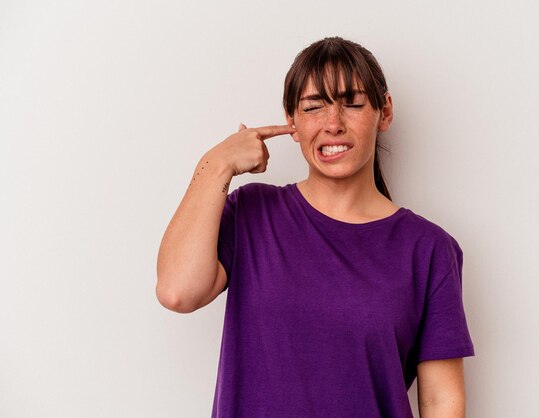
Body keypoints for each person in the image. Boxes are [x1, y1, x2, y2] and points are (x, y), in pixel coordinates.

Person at [156, 36, 474, 418]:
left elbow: (441, 402)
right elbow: (177, 291)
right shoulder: (252, 214)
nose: (333, 124)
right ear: (292, 120)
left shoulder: (429, 249)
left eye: (352, 103)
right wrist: (216, 164)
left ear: (384, 111)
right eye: (313, 107)